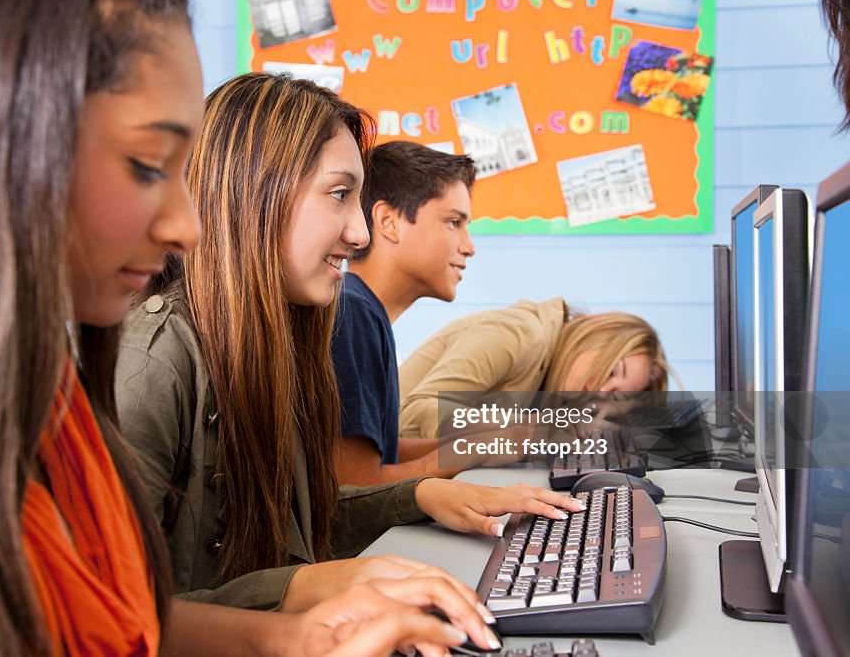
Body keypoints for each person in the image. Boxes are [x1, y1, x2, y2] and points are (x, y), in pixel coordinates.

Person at [0, 0, 510, 655]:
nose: (187, 226)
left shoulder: (47, 391)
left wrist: (304, 624)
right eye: (150, 164)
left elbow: (128, 613)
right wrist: (297, 605)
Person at [115, 72, 583, 628]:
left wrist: (424, 495)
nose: (359, 234)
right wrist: (305, 585)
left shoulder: (277, 336)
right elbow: (104, 618)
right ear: (252, 191)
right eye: (339, 195)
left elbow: (294, 521)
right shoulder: (154, 359)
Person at [330, 140, 480, 485]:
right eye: (453, 222)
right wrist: (470, 451)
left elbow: (384, 454)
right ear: (389, 221)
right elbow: (358, 486)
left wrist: (483, 443)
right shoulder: (352, 312)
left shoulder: (360, 306)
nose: (469, 247)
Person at [399, 302, 669, 439]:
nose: (601, 390)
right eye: (611, 369)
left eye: (616, 397)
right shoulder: (518, 335)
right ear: (597, 335)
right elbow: (414, 413)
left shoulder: (551, 385)